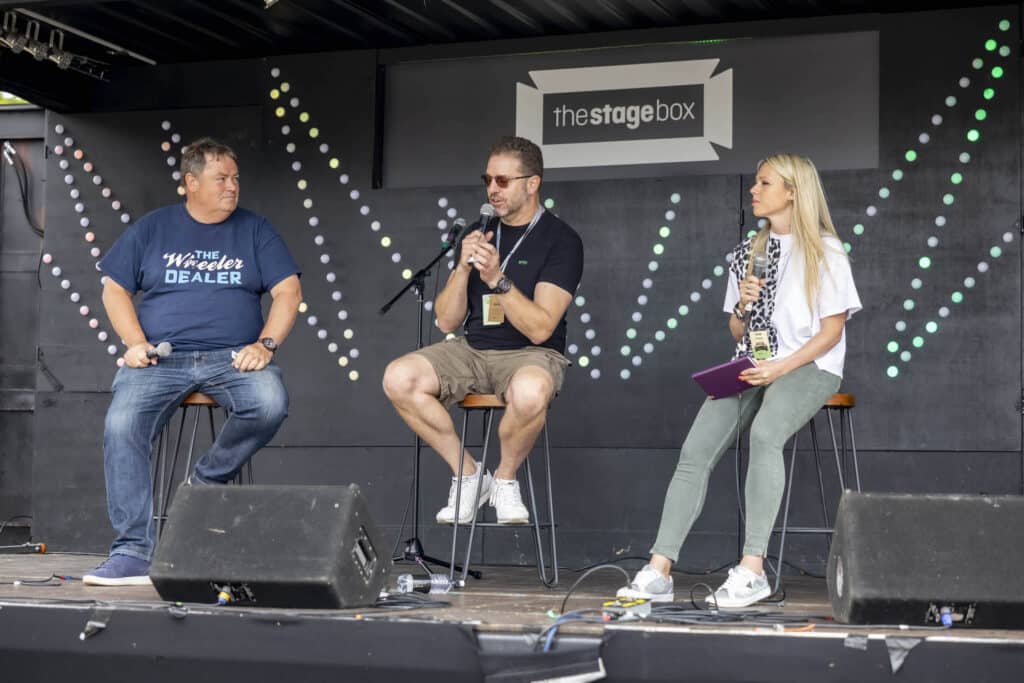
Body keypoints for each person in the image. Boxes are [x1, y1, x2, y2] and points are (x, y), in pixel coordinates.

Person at [618, 154, 861, 608]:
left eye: (764, 183)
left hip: (810, 365)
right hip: (753, 361)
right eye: (755, 182)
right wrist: (743, 306)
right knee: (696, 449)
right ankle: (659, 570)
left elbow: (831, 332)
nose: (754, 190)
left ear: (793, 191)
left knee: (766, 434)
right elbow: (736, 330)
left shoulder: (825, 251)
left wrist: (779, 369)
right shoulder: (750, 251)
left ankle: (752, 571)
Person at [83, 138, 302, 586]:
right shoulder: (153, 227)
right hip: (162, 357)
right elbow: (114, 288)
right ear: (191, 182)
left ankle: (203, 485)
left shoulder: (255, 230)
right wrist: (135, 343)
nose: (232, 186)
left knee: (268, 402)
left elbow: (288, 291)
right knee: (121, 425)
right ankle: (133, 552)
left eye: (235, 178)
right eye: (221, 178)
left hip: (231, 357)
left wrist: (265, 345)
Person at [383, 136, 583, 526]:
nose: (493, 189)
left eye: (503, 181)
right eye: (487, 179)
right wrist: (462, 268)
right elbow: (446, 321)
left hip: (531, 354)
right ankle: (470, 475)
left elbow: (542, 328)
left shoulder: (561, 240)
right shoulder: (479, 231)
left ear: (532, 183)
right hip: (473, 349)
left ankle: (505, 480)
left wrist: (496, 279)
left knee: (531, 392)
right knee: (398, 377)